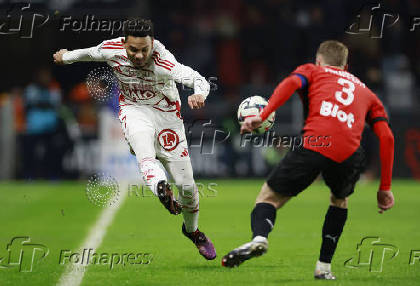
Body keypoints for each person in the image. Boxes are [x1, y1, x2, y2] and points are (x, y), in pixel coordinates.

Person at [221, 40, 395, 279]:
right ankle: (324, 267)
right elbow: (387, 137)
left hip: (316, 144)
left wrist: (262, 115)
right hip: (349, 155)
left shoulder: (313, 71)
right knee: (339, 200)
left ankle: (260, 238)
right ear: (345, 66)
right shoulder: (367, 92)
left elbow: (291, 83)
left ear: (319, 60)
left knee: (269, 198)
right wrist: (384, 188)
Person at [53, 18, 216, 260]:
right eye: (133, 50)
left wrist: (199, 94)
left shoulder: (163, 61)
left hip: (167, 118)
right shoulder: (112, 49)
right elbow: (89, 53)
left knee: (188, 187)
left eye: (144, 50)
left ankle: (192, 231)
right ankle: (161, 188)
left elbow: (196, 78)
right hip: (134, 110)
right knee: (144, 153)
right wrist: (65, 57)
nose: (139, 55)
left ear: (152, 44)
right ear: (124, 43)